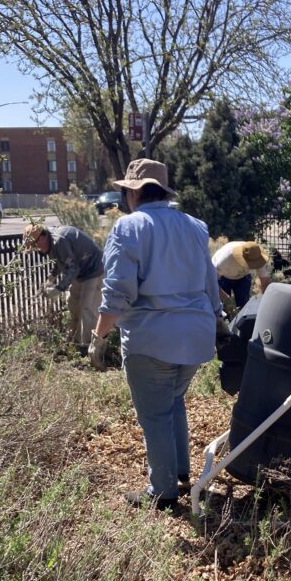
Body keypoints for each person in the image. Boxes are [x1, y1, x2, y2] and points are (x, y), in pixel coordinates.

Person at [89, 158, 221, 511]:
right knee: (173, 401)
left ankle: (162, 492)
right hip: (196, 337)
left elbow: (117, 292)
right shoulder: (195, 226)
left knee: (156, 415)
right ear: (163, 191)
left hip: (152, 339)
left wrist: (98, 339)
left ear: (132, 193)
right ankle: (179, 471)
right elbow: (211, 283)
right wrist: (219, 323)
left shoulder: (128, 228)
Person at [23, 224, 103, 352]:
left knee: (86, 307)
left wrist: (58, 289)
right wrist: (50, 279)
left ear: (42, 238)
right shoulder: (50, 242)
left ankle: (87, 347)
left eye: (34, 246)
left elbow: (73, 268)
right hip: (80, 271)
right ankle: (75, 343)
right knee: (73, 304)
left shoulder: (59, 241)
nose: (35, 250)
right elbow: (61, 260)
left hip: (93, 268)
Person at [212, 240, 272, 309]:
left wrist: (264, 304)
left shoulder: (258, 257)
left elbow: (265, 283)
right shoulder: (224, 259)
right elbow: (211, 282)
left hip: (243, 277)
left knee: (243, 307)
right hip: (222, 277)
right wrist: (225, 297)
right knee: (223, 308)